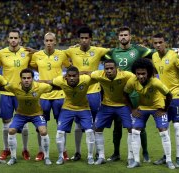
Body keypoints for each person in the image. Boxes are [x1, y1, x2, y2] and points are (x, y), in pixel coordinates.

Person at [104, 26, 152, 162]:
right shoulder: (112, 52)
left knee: (139, 123)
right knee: (117, 125)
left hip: (135, 93)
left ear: (130, 37)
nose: (123, 37)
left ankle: (145, 153)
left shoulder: (138, 50)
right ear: (118, 38)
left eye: (126, 35)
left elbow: (154, 52)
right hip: (118, 94)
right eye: (121, 35)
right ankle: (116, 153)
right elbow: (94, 53)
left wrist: (174, 51)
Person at [64, 26, 110, 161]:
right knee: (78, 124)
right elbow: (54, 53)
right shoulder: (72, 50)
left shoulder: (98, 50)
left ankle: (98, 152)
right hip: (78, 93)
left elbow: (117, 51)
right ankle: (78, 152)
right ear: (79, 39)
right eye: (82, 38)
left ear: (90, 39)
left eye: (86, 38)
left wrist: (137, 47)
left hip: (94, 92)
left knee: (96, 124)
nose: (84, 40)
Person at [124, 58, 175, 169]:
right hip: (142, 107)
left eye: (143, 73)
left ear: (149, 73)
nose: (141, 76)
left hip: (157, 107)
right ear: (135, 73)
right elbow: (125, 94)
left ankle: (169, 160)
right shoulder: (132, 81)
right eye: (138, 74)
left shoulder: (155, 81)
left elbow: (169, 95)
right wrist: (132, 109)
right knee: (135, 131)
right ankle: (137, 161)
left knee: (163, 132)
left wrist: (164, 109)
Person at [30, 32, 71, 161]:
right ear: (44, 42)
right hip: (43, 96)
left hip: (59, 95)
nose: (48, 43)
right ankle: (41, 151)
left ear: (55, 42)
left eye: (51, 40)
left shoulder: (62, 54)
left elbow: (70, 68)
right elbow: (34, 67)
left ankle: (63, 150)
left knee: (62, 125)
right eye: (46, 40)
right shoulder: (37, 55)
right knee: (41, 125)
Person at [0, 68, 53, 165]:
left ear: (32, 78)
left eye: (29, 78)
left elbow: (54, 87)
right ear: (21, 79)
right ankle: (13, 157)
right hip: (21, 115)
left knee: (43, 131)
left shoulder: (40, 87)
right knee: (10, 130)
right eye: (24, 78)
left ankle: (47, 156)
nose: (26, 80)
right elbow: (0, 87)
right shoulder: (14, 87)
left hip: (37, 114)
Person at [152, 33, 179, 168]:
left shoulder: (175, 55)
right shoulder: (154, 57)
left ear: (165, 42)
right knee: (164, 128)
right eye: (155, 43)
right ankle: (166, 156)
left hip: (176, 96)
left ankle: (178, 157)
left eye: (160, 42)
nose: (158, 45)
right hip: (161, 98)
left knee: (177, 126)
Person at [0, 29, 32, 161]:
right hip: (6, 93)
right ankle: (7, 149)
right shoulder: (1, 53)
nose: (13, 40)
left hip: (22, 93)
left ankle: (25, 149)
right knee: (6, 122)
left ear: (20, 39)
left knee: (25, 121)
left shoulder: (27, 53)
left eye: (15, 38)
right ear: (8, 39)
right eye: (11, 38)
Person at [89, 59, 134, 165]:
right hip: (106, 105)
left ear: (117, 68)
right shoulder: (99, 75)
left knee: (132, 129)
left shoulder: (126, 75)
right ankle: (101, 156)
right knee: (97, 128)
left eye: (111, 68)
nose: (109, 71)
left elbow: (138, 80)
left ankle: (131, 157)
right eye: (106, 69)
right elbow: (87, 73)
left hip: (122, 106)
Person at [48, 66, 95, 165]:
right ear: (66, 77)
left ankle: (90, 157)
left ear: (79, 76)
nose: (72, 78)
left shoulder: (86, 79)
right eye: (69, 76)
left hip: (84, 108)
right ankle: (61, 157)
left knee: (90, 131)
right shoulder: (60, 80)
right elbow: (48, 82)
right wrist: (36, 82)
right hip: (67, 108)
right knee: (60, 132)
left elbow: (99, 76)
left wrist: (87, 71)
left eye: (74, 76)